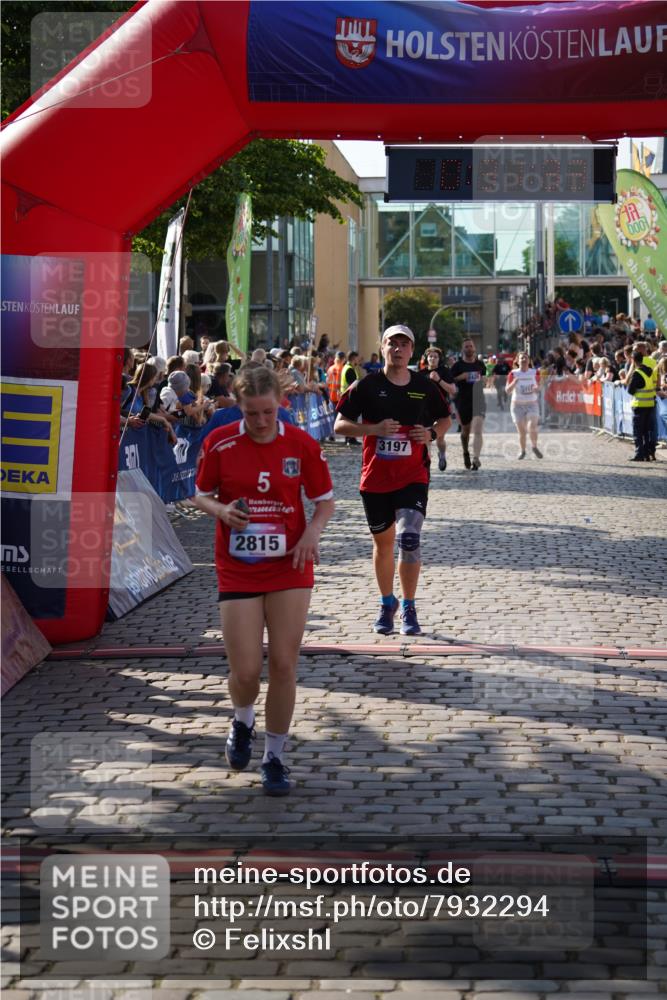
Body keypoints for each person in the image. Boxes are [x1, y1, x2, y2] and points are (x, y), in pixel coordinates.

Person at [192, 365, 334, 795]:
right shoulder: (220, 442)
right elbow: (199, 492)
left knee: (285, 664)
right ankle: (242, 719)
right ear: (239, 407)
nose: (260, 422)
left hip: (290, 563)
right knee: (247, 670)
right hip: (238, 565)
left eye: (268, 413)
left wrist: (311, 533)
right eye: (252, 413)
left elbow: (324, 502)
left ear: (280, 405)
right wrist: (220, 511)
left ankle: (274, 757)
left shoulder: (301, 444)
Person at [334, 324, 450, 637]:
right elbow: (339, 424)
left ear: (413, 350)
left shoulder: (424, 386)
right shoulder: (367, 385)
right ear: (382, 347)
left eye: (403, 344)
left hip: (413, 475)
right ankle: (388, 603)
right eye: (391, 343)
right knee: (383, 545)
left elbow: (446, 417)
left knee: (409, 538)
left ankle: (410, 606)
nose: (397, 349)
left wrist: (431, 434)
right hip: (375, 478)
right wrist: (372, 430)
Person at [449, 339, 487, 470]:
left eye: (471, 346)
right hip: (463, 401)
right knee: (465, 431)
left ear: (474, 348)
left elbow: (485, 379)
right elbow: (450, 382)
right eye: (466, 347)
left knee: (477, 430)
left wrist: (484, 380)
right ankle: (466, 452)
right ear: (462, 349)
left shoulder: (481, 365)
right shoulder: (457, 366)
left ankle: (476, 458)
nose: (469, 348)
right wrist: (462, 376)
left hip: (479, 400)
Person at [422, 347, 455, 471]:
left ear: (439, 359)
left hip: (441, 409)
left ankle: (442, 455)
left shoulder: (445, 371)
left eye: (435, 357)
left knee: (440, 439)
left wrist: (438, 380)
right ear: (426, 358)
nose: (433, 359)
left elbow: (452, 390)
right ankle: (426, 465)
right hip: (425, 410)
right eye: (430, 356)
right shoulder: (421, 373)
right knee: (427, 439)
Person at [506, 353, 543, 460]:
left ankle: (534, 447)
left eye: (526, 358)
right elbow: (507, 390)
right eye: (521, 358)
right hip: (517, 405)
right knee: (522, 431)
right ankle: (522, 451)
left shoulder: (535, 372)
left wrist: (537, 389)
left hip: (532, 404)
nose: (524, 360)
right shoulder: (513, 373)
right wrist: (514, 382)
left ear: (529, 360)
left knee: (532, 427)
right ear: (517, 361)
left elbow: (539, 386)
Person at [626, 348, 658, 461]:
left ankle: (639, 454)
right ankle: (646, 453)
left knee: (638, 431)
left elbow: (630, 390)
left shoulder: (637, 373)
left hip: (639, 405)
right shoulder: (649, 370)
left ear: (634, 361)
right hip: (650, 404)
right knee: (646, 431)